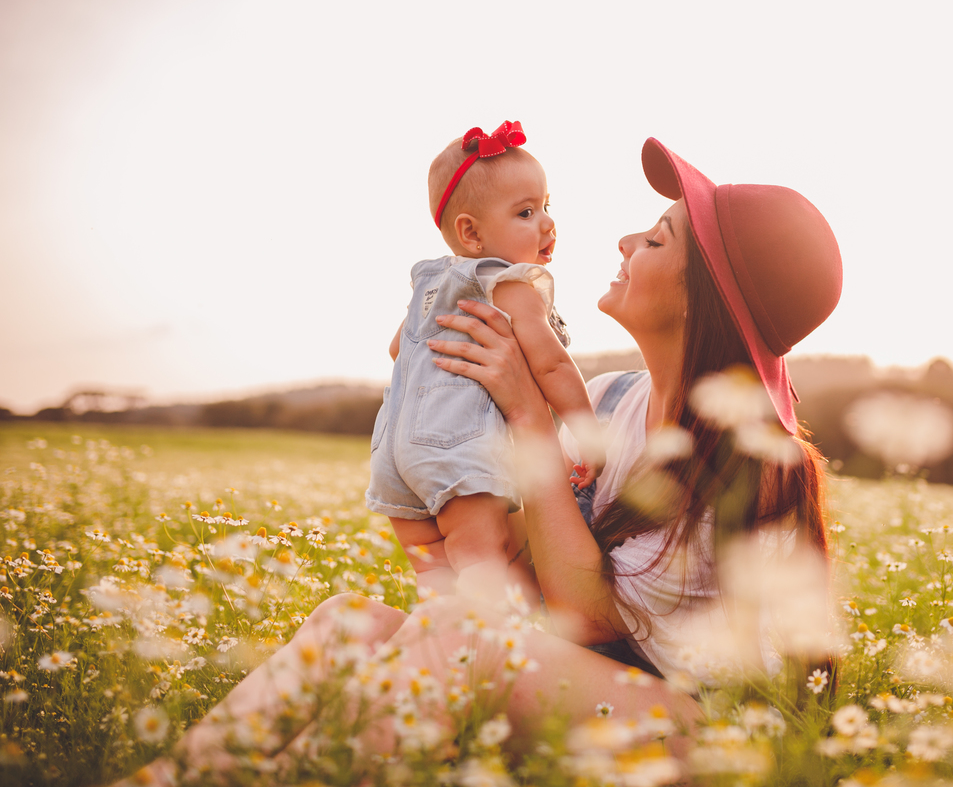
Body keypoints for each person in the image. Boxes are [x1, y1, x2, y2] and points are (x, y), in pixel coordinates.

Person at [115, 138, 842, 785]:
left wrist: (528, 415)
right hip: (597, 686)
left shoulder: (754, 463)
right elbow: (530, 572)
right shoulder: (610, 401)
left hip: (712, 740)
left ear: (703, 299)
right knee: (347, 624)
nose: (625, 240)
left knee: (469, 641)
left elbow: (586, 615)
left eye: (656, 239)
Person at [366, 120, 604, 602]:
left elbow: (397, 349)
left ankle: (441, 636)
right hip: (455, 446)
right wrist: (587, 430)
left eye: (547, 206)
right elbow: (552, 366)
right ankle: (487, 636)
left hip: (392, 450)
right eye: (526, 212)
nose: (547, 223)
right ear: (471, 233)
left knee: (435, 574)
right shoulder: (508, 285)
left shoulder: (431, 284)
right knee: (481, 558)